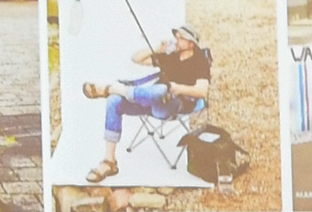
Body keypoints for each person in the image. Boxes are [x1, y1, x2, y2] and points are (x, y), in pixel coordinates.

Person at [79, 27, 213, 184]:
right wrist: (155, 49)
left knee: (162, 89)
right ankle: (110, 162)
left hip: (172, 105)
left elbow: (202, 91)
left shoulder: (199, 61)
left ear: (191, 43)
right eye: (176, 37)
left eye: (181, 38)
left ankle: (113, 89)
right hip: (148, 100)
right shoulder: (170, 56)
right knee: (114, 101)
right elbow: (136, 59)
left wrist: (177, 88)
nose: (176, 40)